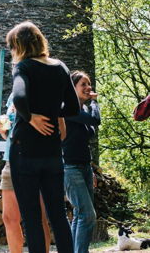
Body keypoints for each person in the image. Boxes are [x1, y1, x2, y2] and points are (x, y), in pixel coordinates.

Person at [6, 21, 80, 253]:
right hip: (51, 152)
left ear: (18, 46)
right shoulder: (60, 67)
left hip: (24, 151)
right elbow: (73, 107)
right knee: (58, 215)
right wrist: (52, 113)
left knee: (32, 217)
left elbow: (19, 97)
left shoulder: (24, 67)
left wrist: (30, 117)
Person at [0, 94, 52, 253]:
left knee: (38, 218)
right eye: (13, 66)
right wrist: (3, 130)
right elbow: (11, 131)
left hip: (32, 160)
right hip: (10, 160)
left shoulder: (39, 90)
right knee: (9, 218)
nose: (15, 67)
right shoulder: (13, 96)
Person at [62, 71, 100, 253]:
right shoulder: (68, 107)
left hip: (84, 166)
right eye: (83, 84)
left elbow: (89, 133)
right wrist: (94, 101)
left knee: (80, 215)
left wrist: (90, 169)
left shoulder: (81, 110)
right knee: (88, 215)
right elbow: (95, 120)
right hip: (70, 168)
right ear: (73, 87)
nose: (88, 88)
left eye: (89, 84)